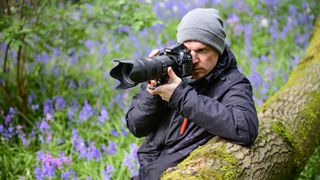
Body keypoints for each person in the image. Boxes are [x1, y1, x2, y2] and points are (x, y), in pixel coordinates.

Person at [126, 8, 259, 180]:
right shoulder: (172, 71)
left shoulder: (232, 83)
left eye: (202, 50)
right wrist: (151, 89)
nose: (193, 59)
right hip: (146, 172)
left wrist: (179, 96)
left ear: (218, 50)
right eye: (187, 50)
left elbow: (245, 129)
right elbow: (136, 127)